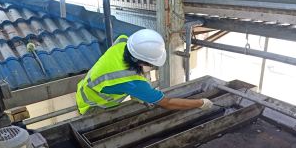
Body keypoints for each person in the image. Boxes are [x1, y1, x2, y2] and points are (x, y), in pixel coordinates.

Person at [76, 29, 213, 115]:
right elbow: (168, 103)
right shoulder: (133, 83)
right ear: (140, 62)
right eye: (151, 64)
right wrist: (200, 103)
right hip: (93, 106)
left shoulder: (123, 42)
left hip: (84, 87)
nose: (152, 67)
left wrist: (137, 94)